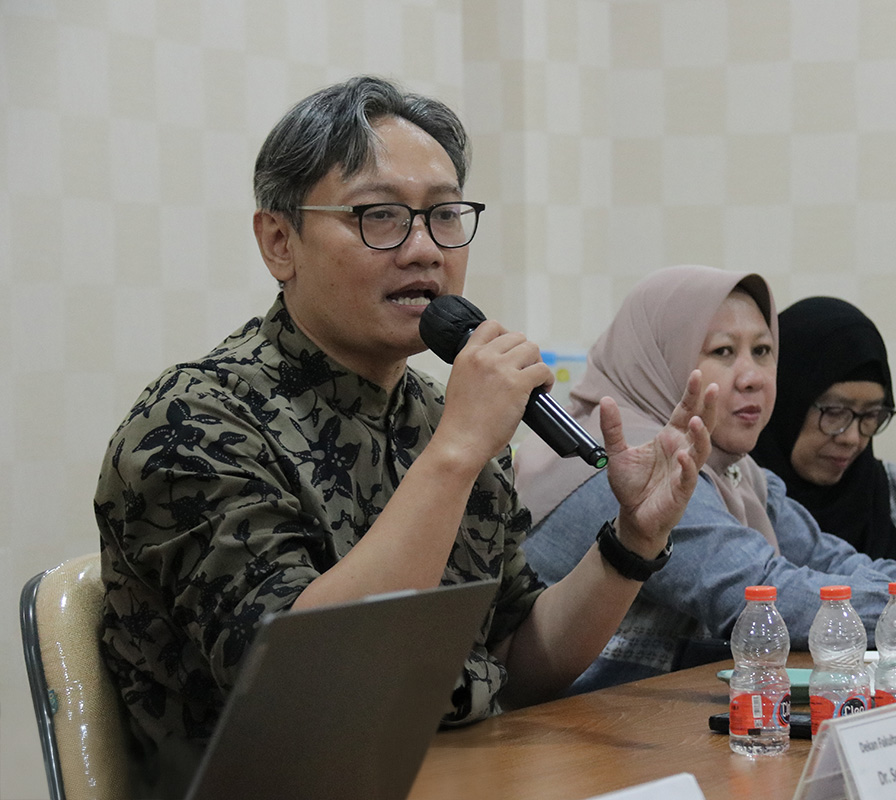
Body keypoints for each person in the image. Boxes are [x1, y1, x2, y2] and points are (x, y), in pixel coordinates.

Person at [95, 77, 715, 792]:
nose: (424, 249)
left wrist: (633, 542)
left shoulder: (438, 412)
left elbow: (513, 658)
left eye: (445, 215)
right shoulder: (193, 423)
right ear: (279, 242)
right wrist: (455, 454)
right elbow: (311, 700)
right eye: (380, 216)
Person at [515, 264, 896, 693]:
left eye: (763, 351)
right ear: (658, 358)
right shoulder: (620, 464)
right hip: (558, 749)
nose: (753, 376)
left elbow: (834, 563)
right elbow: (769, 597)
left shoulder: (735, 471)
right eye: (722, 352)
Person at [751, 296, 896, 561]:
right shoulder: (734, 493)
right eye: (834, 412)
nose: (852, 438)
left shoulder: (888, 497)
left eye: (871, 415)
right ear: (785, 403)